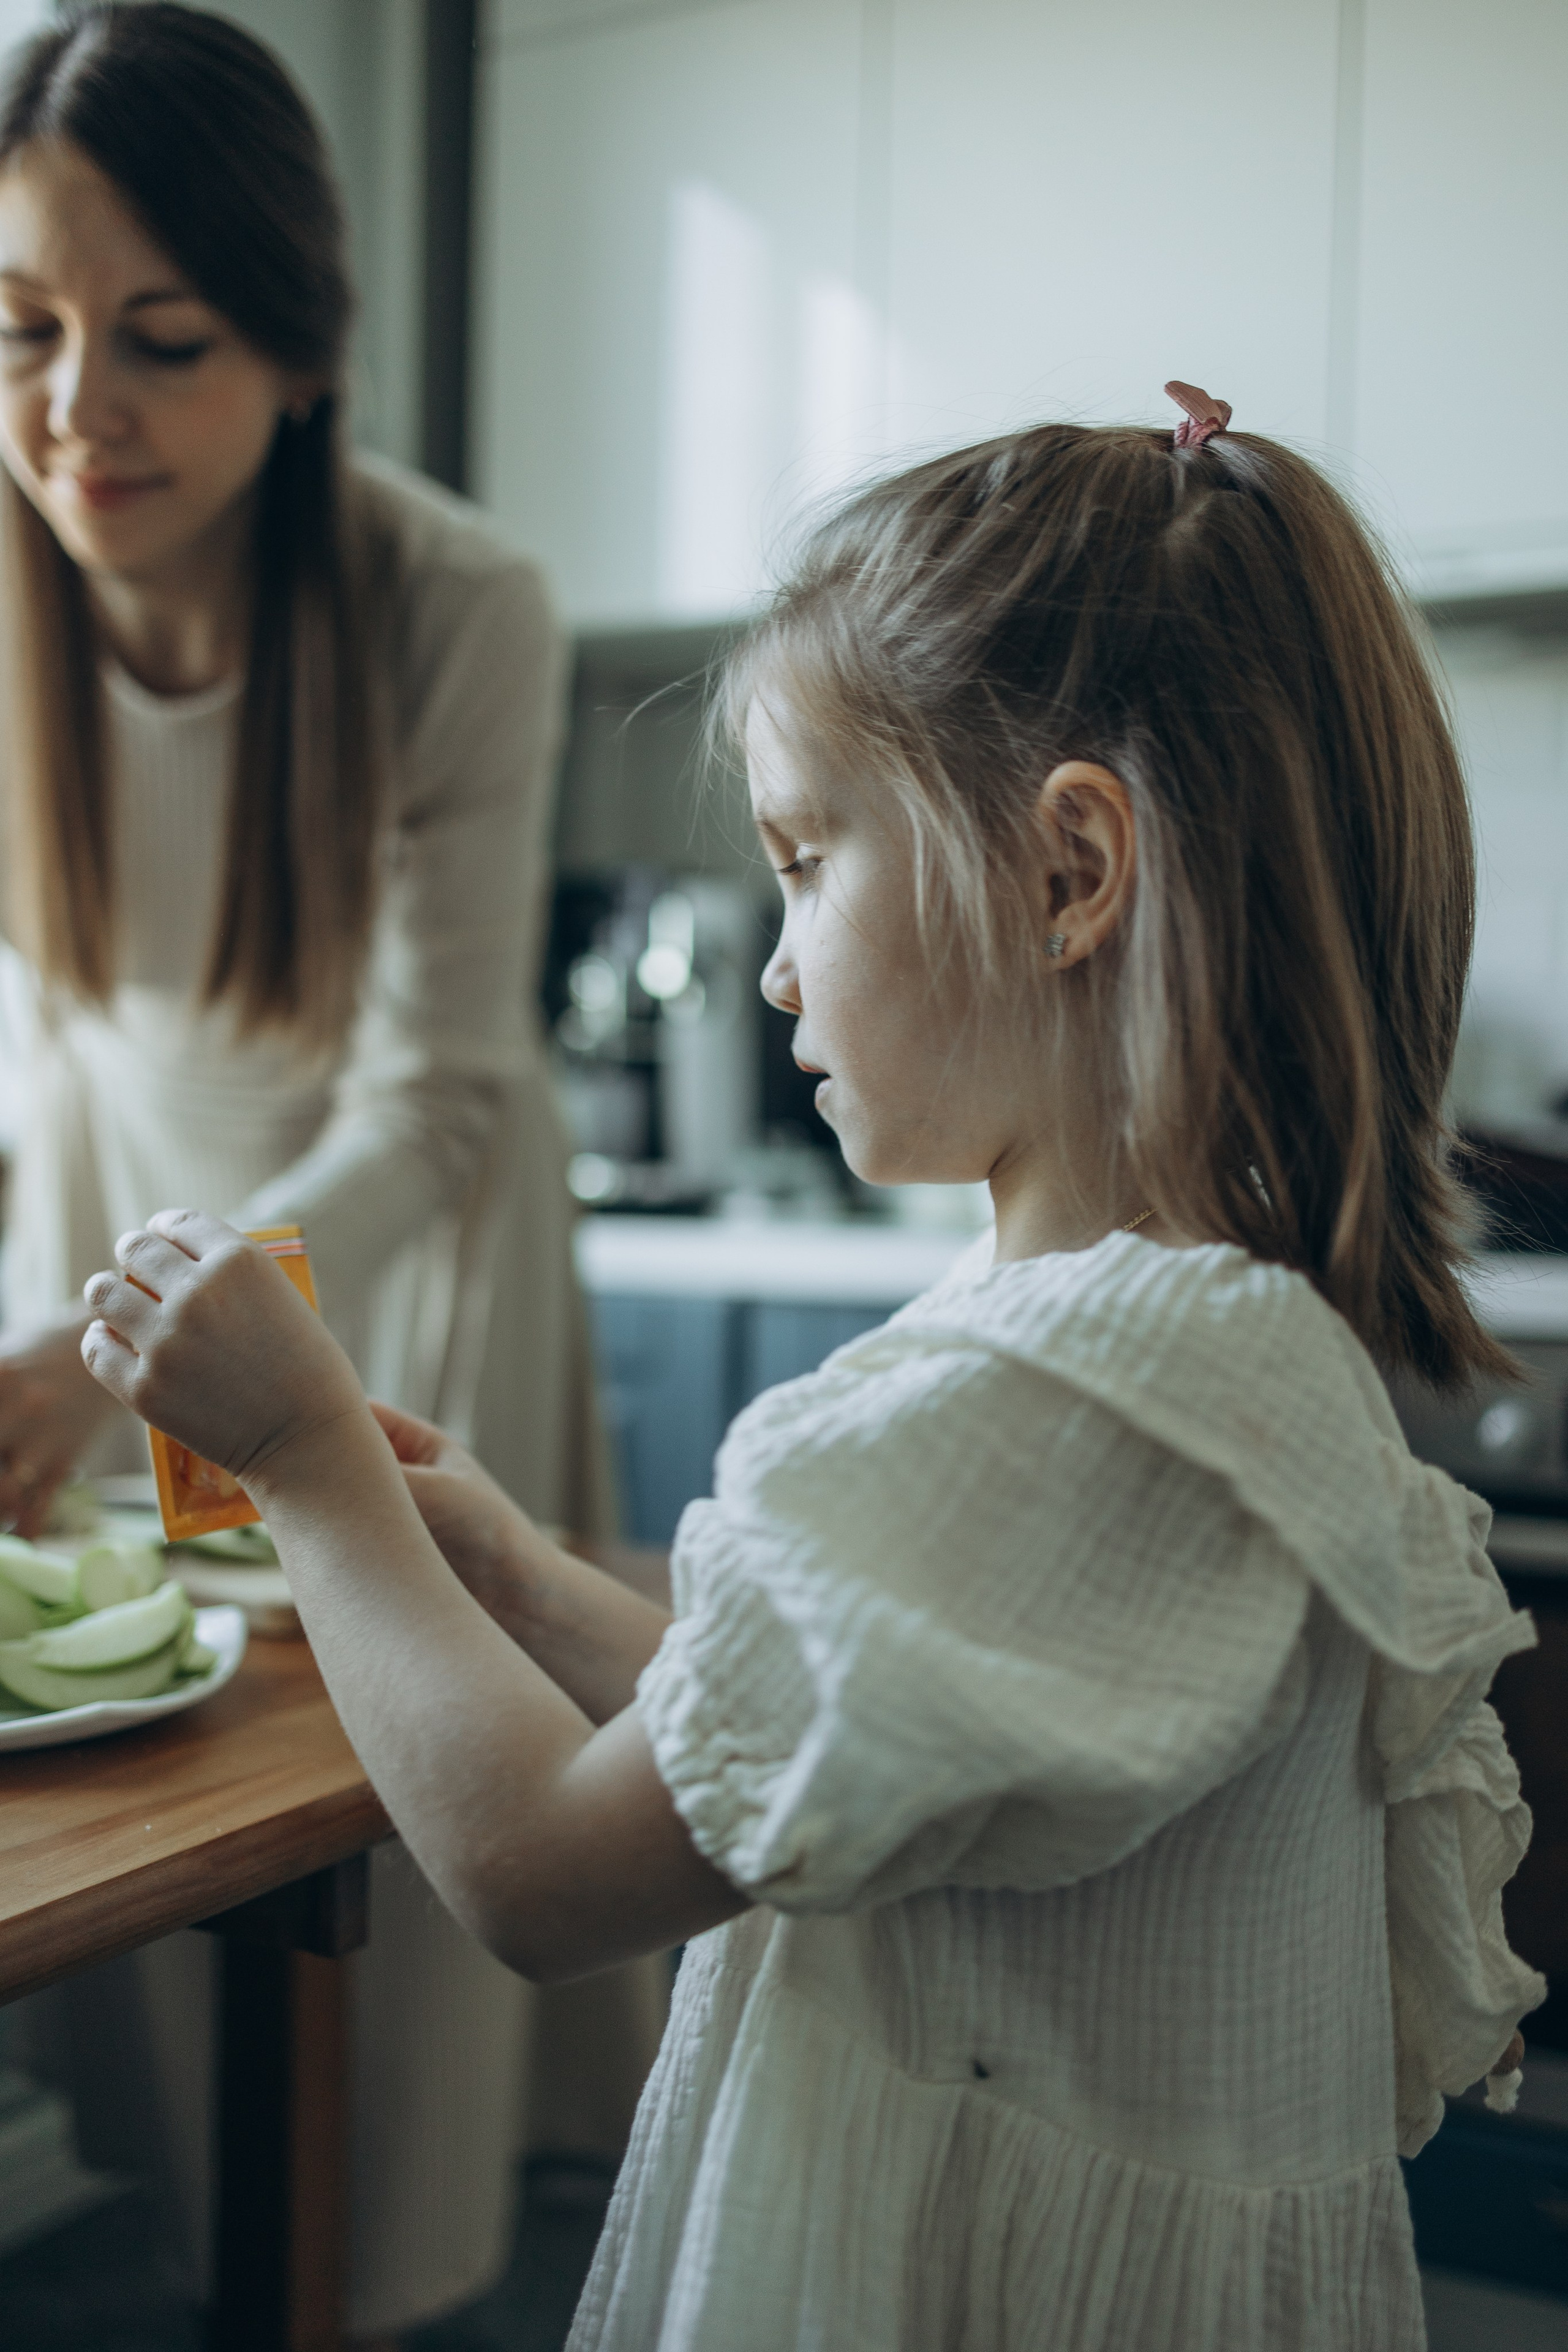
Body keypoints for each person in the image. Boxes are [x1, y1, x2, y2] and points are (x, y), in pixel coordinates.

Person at [81, 388, 1545, 2352]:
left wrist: (305, 1460)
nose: (775, 968)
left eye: (803, 859)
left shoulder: (1080, 1397)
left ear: (1067, 874)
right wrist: (509, 1569)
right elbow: (812, 1766)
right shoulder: (1171, 1337)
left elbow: (543, 1874)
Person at [0, 6, 616, 2342]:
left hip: (397, 1249)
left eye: (160, 340)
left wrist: (128, 1344)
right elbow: (46, 1031)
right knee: (131, 1811)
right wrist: (77, 1317)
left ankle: (391, 2294)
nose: (77, 414)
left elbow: (438, 1096)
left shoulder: (455, 604)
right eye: (21, 333)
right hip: (105, 1219)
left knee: (397, 1842)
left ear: (298, 342)